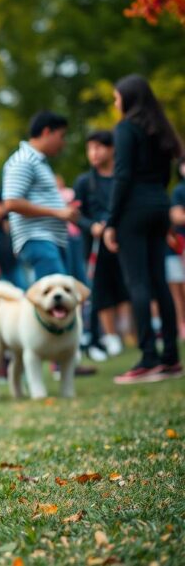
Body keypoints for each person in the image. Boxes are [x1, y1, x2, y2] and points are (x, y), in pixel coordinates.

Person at [103, 74, 183, 383]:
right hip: (159, 206)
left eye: (116, 97)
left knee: (137, 283)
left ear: (127, 99)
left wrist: (111, 221)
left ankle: (148, 357)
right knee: (159, 282)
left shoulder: (126, 129)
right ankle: (171, 358)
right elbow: (165, 176)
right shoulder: (160, 130)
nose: (115, 103)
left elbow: (122, 176)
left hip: (133, 211)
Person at [2, 111, 79, 281]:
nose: (63, 143)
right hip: (37, 238)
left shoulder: (38, 162)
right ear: (46, 132)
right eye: (61, 136)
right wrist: (58, 212)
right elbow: (11, 203)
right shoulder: (23, 160)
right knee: (53, 297)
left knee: (55, 296)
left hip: (48, 239)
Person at [73, 130, 129, 361]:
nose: (94, 153)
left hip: (123, 242)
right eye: (90, 148)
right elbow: (76, 214)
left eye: (99, 147)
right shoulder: (84, 182)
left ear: (112, 149)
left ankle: (125, 332)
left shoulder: (122, 177)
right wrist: (92, 226)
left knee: (125, 288)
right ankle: (110, 335)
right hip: (95, 246)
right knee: (101, 291)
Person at [169, 159, 185, 339]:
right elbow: (176, 216)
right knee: (179, 289)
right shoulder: (179, 190)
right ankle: (181, 325)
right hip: (180, 246)